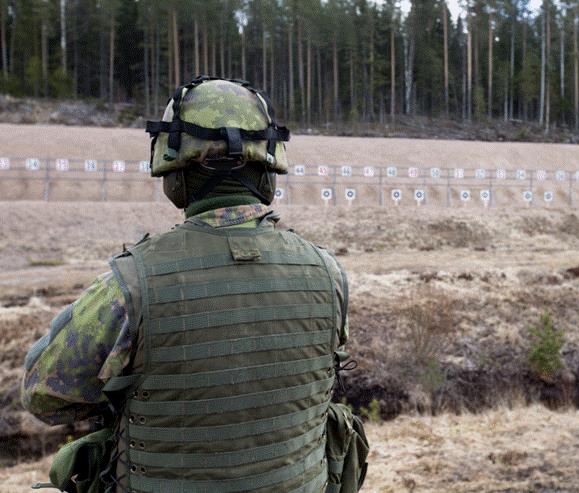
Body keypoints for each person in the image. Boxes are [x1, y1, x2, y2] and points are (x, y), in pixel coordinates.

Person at [22, 76, 368, 493]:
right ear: (268, 174)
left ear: (174, 177)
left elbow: (43, 394)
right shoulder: (328, 274)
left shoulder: (132, 283)